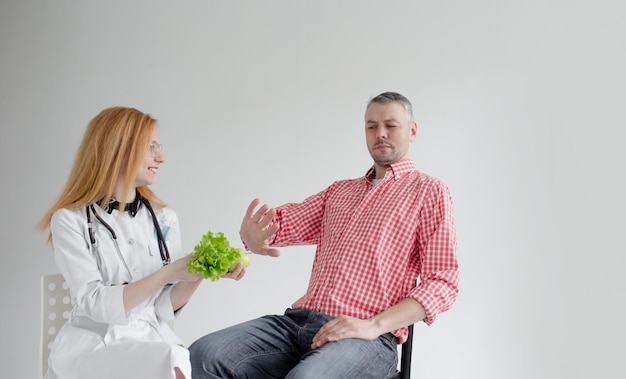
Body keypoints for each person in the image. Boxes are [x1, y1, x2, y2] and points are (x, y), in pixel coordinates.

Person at [189, 92, 459, 379]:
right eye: (371, 126)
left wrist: (373, 326)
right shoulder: (340, 192)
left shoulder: (428, 191)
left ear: (412, 130)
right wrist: (253, 234)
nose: (380, 133)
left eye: (391, 125)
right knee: (203, 354)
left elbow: (443, 283)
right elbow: (279, 224)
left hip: (365, 338)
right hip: (297, 324)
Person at [38, 106, 245, 379]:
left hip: (149, 337)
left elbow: (162, 307)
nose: (161, 157)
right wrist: (168, 273)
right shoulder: (69, 220)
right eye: (151, 147)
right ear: (119, 149)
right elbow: (95, 303)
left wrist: (198, 271)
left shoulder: (164, 218)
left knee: (179, 358)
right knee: (171, 359)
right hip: (94, 344)